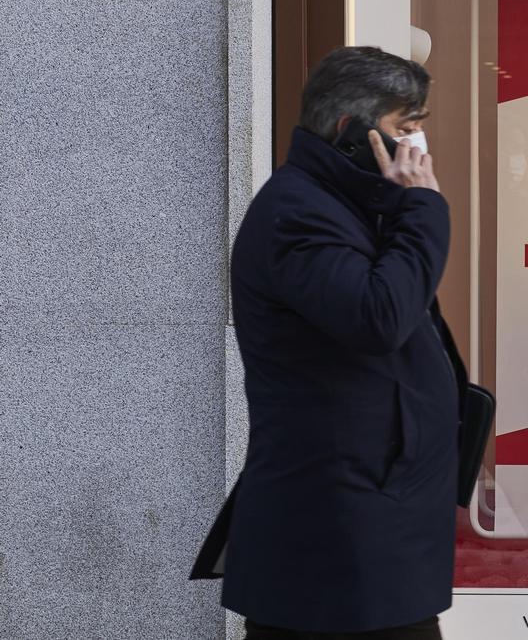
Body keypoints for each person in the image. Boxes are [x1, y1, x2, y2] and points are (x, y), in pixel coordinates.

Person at [190, 46, 467, 640]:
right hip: (335, 534)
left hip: (368, 522)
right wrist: (422, 209)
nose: (418, 149)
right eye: (406, 129)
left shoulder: (346, 204)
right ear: (350, 131)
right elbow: (379, 316)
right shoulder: (298, 214)